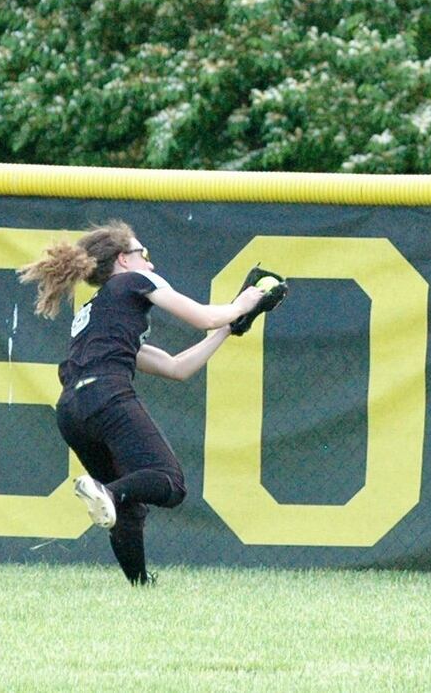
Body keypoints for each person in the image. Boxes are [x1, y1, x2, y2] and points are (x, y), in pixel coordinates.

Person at [18, 220, 264, 585]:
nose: (149, 263)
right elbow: (203, 317)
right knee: (169, 483)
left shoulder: (99, 313)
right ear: (123, 260)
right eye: (143, 254)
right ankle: (105, 491)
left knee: (127, 509)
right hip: (106, 396)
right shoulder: (133, 282)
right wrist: (244, 303)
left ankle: (140, 584)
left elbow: (175, 367)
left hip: (71, 410)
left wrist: (228, 328)